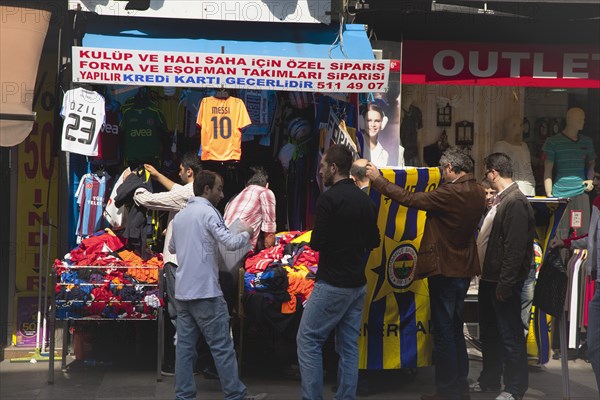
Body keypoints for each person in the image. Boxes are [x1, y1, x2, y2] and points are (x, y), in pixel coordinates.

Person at [366, 146, 485, 400]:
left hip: (444, 268)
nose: (442, 175)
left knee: (444, 331)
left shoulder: (451, 192)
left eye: (444, 171)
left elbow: (411, 200)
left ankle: (447, 390)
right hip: (464, 268)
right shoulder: (477, 190)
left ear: (451, 168)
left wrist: (378, 180)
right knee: (454, 327)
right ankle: (459, 387)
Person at [169, 170, 265, 400]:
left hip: (183, 292)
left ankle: (184, 396)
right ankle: (235, 394)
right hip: (206, 292)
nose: (222, 194)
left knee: (184, 349)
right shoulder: (209, 214)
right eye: (219, 189)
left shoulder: (181, 216)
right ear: (206, 189)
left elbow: (172, 248)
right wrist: (248, 233)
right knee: (221, 347)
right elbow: (231, 243)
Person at [297, 144, 380, 400]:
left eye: (322, 166)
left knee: (308, 340)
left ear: (334, 168)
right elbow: (374, 241)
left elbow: (318, 242)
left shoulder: (328, 199)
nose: (320, 172)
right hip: (357, 283)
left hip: (333, 282)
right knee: (348, 346)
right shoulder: (364, 200)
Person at [472, 153, 535, 400]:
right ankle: (489, 380)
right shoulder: (502, 200)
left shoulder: (515, 202)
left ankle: (515, 388)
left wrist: (505, 283)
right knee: (490, 333)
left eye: (485, 172)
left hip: (502, 281)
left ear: (493, 173)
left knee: (510, 336)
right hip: (491, 279)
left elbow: (515, 249)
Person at [132, 152, 200, 376]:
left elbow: (152, 201)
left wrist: (135, 188)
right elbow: (175, 190)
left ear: (189, 171)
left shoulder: (188, 194)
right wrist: (157, 175)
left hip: (176, 263)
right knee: (186, 312)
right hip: (190, 263)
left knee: (176, 313)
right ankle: (188, 361)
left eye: (181, 170)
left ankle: (183, 363)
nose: (178, 173)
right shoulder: (195, 191)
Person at [549, 163, 600, 392]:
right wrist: (567, 242)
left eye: (598, 178)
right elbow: (592, 238)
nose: (595, 183)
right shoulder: (597, 203)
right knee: (593, 346)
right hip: (598, 282)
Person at [542, 107, 595, 238]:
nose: (584, 121)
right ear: (571, 120)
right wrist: (549, 195)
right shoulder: (553, 142)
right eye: (581, 119)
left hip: (580, 193)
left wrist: (590, 179)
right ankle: (559, 259)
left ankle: (580, 259)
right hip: (560, 195)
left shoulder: (586, 142)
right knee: (560, 233)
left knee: (582, 234)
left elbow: (592, 163)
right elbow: (547, 169)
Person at [224, 166, 277, 252]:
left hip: (220, 246)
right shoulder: (265, 192)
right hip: (236, 251)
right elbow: (269, 235)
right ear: (267, 185)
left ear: (246, 185)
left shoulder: (234, 198)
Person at [492, 116, 535, 196]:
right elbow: (495, 167)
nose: (522, 129)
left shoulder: (524, 145)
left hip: (529, 183)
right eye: (520, 125)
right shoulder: (501, 145)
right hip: (511, 185)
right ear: (512, 127)